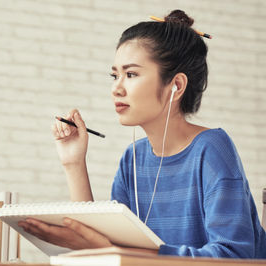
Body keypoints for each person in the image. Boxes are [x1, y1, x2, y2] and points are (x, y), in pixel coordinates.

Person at [18, 10, 266, 258]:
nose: (116, 88)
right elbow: (105, 245)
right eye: (114, 75)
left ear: (176, 86)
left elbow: (233, 256)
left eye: (131, 74)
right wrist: (74, 162)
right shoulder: (132, 159)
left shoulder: (211, 149)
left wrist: (120, 249)